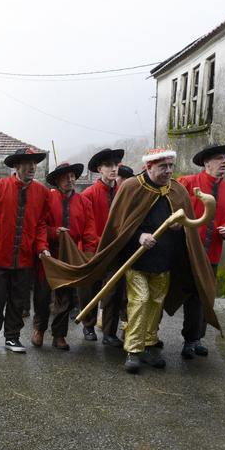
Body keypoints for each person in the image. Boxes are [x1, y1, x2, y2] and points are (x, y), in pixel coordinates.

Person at [42, 148, 220, 374]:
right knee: (140, 300)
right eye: (163, 166)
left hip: (164, 261)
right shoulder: (131, 187)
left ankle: (148, 345)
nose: (168, 171)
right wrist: (139, 236)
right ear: (149, 167)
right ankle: (134, 351)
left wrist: (180, 226)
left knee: (156, 302)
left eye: (170, 166)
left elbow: (188, 226)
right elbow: (119, 227)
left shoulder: (177, 190)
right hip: (136, 262)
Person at [0, 147, 50, 353]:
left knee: (18, 301)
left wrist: (42, 247)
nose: (32, 167)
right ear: (16, 166)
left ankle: (12, 337)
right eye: (27, 163)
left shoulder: (42, 193)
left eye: (35, 163)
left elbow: (41, 225)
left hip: (25, 257)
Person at [177, 144, 225, 358]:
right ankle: (184, 339)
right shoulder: (188, 182)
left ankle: (196, 339)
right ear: (206, 163)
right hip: (188, 253)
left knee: (206, 297)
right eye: (218, 158)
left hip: (212, 253)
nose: (223, 162)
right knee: (189, 295)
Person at [32, 161, 97, 351]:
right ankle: (39, 329)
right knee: (43, 294)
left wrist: (87, 256)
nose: (70, 180)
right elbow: (40, 225)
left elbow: (89, 232)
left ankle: (59, 335)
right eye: (65, 177)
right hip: (48, 253)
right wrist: (51, 235)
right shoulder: (48, 199)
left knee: (65, 295)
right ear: (57, 181)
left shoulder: (84, 202)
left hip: (70, 254)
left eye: (72, 176)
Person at [80, 148, 124, 345]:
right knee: (91, 289)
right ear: (100, 169)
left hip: (116, 250)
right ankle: (88, 325)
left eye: (116, 165)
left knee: (113, 291)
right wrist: (96, 244)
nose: (113, 169)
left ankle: (109, 332)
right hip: (94, 250)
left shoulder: (123, 192)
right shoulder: (89, 193)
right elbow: (85, 225)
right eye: (108, 166)